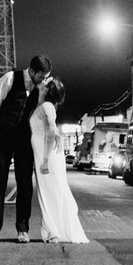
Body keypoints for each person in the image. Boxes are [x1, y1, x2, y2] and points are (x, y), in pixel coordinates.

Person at [0, 54, 52, 244]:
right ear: (33, 71)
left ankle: (23, 229)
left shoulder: (40, 87)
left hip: (25, 140)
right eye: (41, 76)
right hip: (3, 137)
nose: (43, 79)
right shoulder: (10, 78)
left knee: (25, 185)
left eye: (46, 77)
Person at [30, 77, 89, 244]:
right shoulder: (43, 105)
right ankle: (52, 230)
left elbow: (49, 133)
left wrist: (45, 161)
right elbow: (50, 129)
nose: (43, 81)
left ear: (49, 91)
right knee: (48, 193)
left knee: (52, 193)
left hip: (47, 158)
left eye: (46, 83)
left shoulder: (47, 107)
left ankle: (53, 231)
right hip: (43, 156)